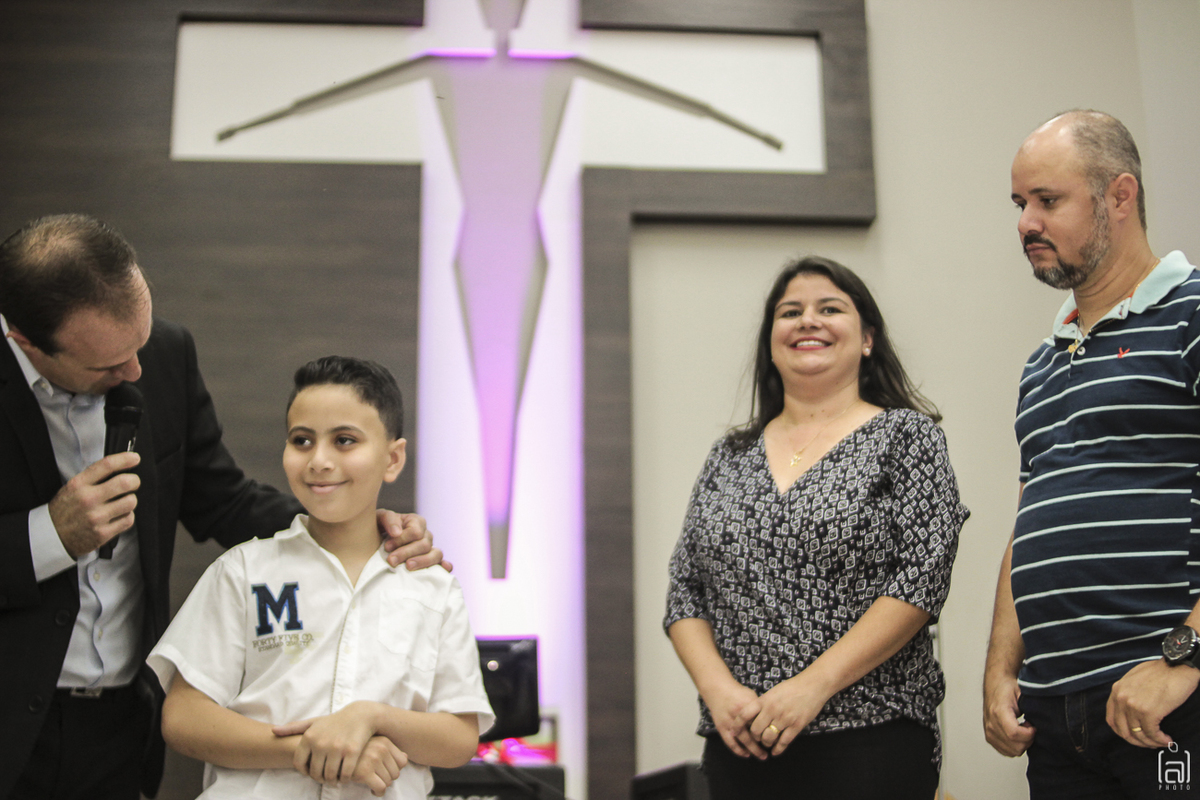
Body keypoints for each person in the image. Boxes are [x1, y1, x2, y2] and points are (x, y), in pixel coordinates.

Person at [0, 214, 442, 800]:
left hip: (119, 725)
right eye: (108, 366)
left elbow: (223, 501)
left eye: (139, 342)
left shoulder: (165, 354)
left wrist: (352, 528)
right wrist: (51, 535)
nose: (135, 371)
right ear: (25, 341)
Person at [664, 256, 967, 799]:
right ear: (770, 342)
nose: (808, 320)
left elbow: (922, 580)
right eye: (790, 312)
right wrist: (718, 692)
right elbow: (685, 591)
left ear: (867, 338)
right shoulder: (728, 455)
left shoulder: (907, 437)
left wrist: (812, 687)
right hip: (741, 743)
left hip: (870, 735)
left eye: (829, 309)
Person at [148, 356, 493, 798]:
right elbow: (184, 718)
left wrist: (373, 717)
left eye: (344, 440)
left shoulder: (431, 586)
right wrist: (311, 749)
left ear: (392, 459)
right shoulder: (243, 570)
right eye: (302, 440)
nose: (319, 460)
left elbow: (460, 737)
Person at [983, 110, 1200, 797]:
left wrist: (1185, 657)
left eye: (1048, 200)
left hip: (1166, 698)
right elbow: (1031, 522)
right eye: (1020, 204)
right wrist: (1001, 666)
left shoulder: (1193, 314)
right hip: (1055, 715)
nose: (1027, 223)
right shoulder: (1040, 366)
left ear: (1119, 196)